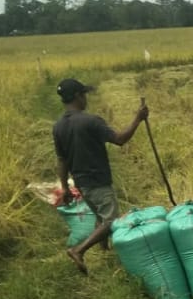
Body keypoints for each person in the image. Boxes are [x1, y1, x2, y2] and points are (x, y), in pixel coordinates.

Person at [52, 78, 149, 274]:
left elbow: (62, 160)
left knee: (99, 216)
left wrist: (65, 188)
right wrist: (138, 119)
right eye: (84, 94)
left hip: (81, 182)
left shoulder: (58, 127)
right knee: (111, 221)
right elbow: (120, 140)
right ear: (79, 96)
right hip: (98, 180)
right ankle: (78, 250)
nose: (86, 98)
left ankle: (105, 252)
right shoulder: (91, 121)